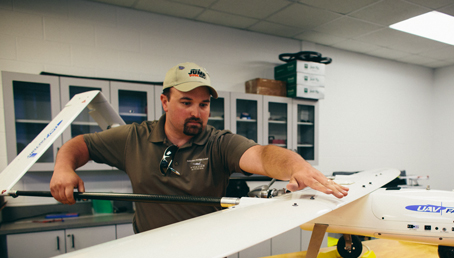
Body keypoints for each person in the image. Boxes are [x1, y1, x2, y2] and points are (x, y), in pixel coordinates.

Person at [50, 62, 348, 234]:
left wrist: (296, 166)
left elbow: (261, 154)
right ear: (165, 102)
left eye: (204, 104)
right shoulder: (133, 139)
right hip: (147, 257)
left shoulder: (218, 144)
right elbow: (82, 144)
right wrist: (64, 168)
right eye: (186, 102)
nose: (197, 112)